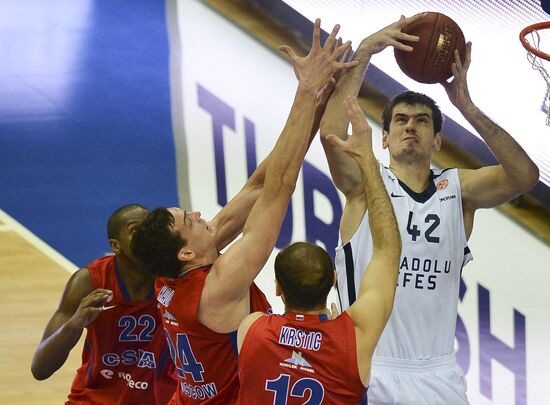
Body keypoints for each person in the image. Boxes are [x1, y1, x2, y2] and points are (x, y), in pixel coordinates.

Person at [130, 19, 359, 404]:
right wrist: (305, 90)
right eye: (190, 221)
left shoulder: (172, 271)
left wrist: (314, 109)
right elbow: (279, 188)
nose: (201, 215)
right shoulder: (218, 287)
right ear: (186, 251)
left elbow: (258, 184)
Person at [319, 17, 540, 405]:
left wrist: (465, 106)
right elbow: (331, 135)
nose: (410, 127)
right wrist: (366, 51)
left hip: (439, 373)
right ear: (383, 137)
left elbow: (524, 176)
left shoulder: (459, 190)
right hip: (371, 365)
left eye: (422, 122)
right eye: (400, 120)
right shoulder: (365, 184)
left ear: (437, 139)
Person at [236, 96, 401, 404]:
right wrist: (368, 162)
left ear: (278, 288)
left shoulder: (253, 329)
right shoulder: (354, 336)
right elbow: (388, 252)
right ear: (334, 281)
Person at [31, 204, 178, 404]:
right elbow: (40, 368)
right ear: (116, 246)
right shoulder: (89, 281)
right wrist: (75, 323)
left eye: (149, 228)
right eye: (135, 231)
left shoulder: (173, 278)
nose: (146, 236)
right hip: (94, 399)